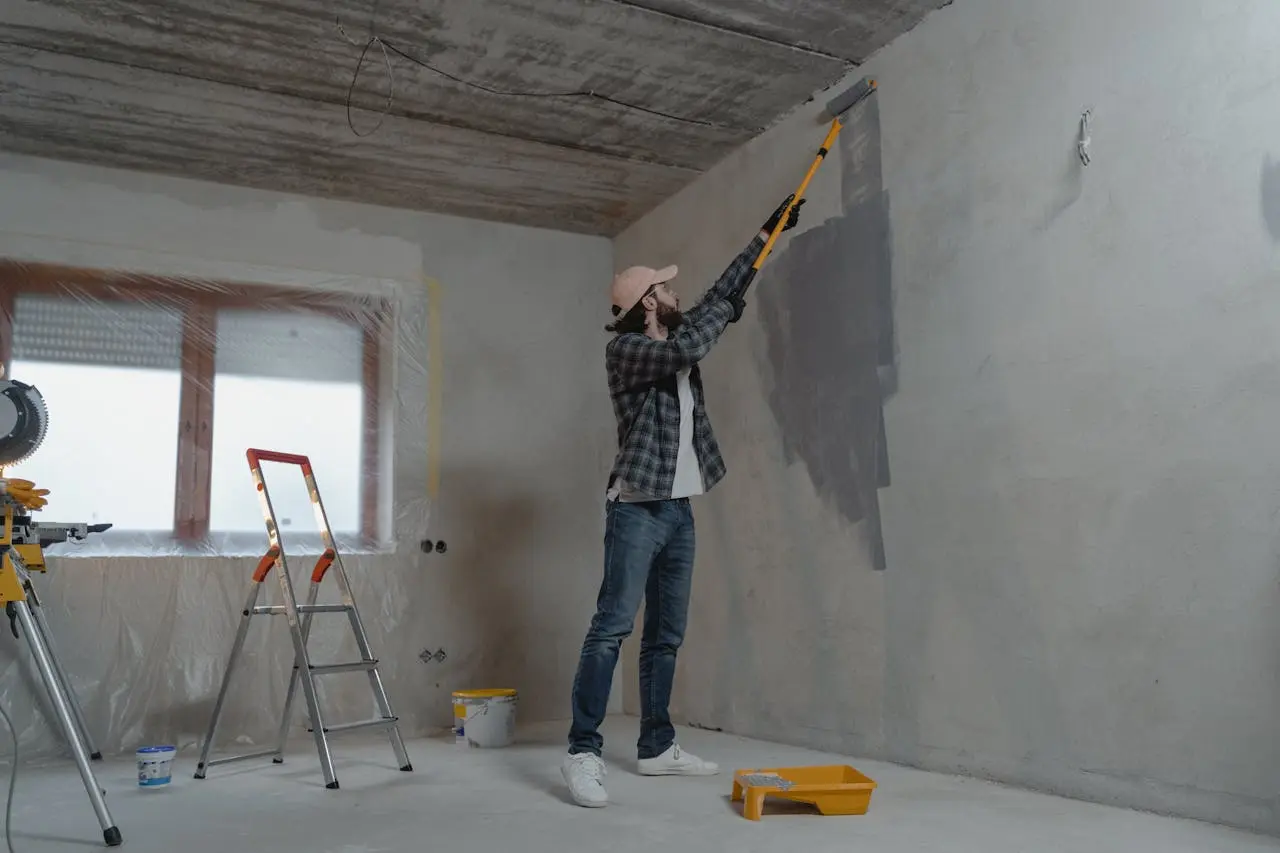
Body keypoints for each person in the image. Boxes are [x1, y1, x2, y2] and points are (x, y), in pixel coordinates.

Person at [561, 196, 806, 808]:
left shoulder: (675, 326)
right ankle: (582, 753)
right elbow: (686, 349)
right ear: (648, 302)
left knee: (666, 635)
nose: (677, 295)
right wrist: (721, 312)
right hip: (636, 508)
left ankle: (655, 747)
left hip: (678, 510)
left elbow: (721, 294)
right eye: (667, 291)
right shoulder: (629, 351)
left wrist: (764, 231)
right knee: (612, 627)